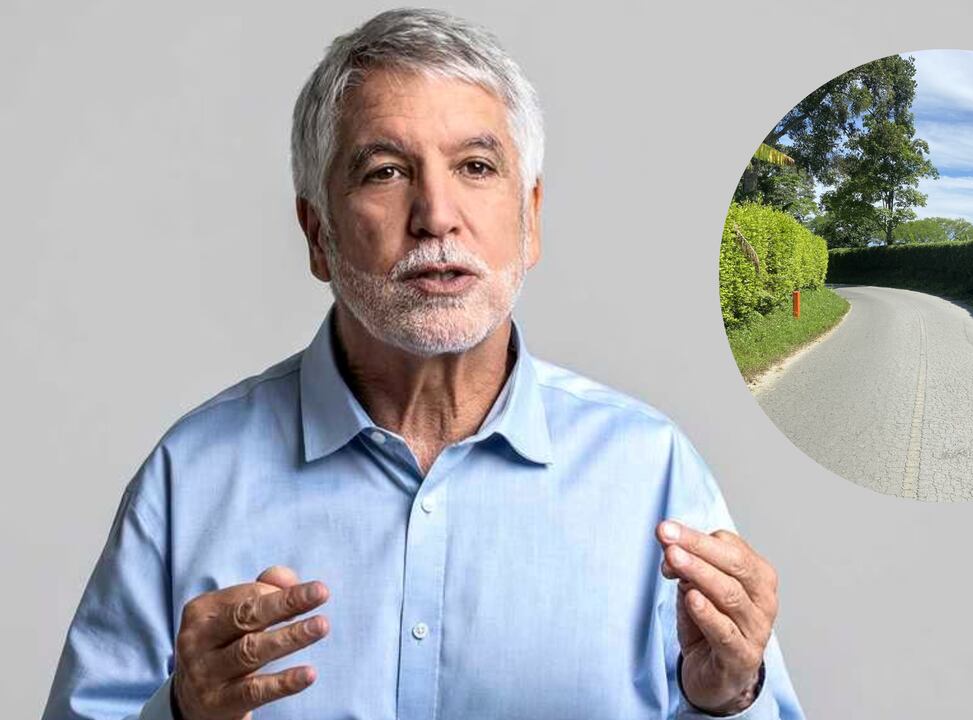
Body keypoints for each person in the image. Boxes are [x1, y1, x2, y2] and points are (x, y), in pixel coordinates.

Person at [42, 8, 805, 720]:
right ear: (317, 234)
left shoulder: (651, 473)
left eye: (476, 166)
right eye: (384, 172)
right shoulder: (191, 478)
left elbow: (738, 698)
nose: (436, 215)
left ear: (530, 218)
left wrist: (728, 698)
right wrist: (177, 712)